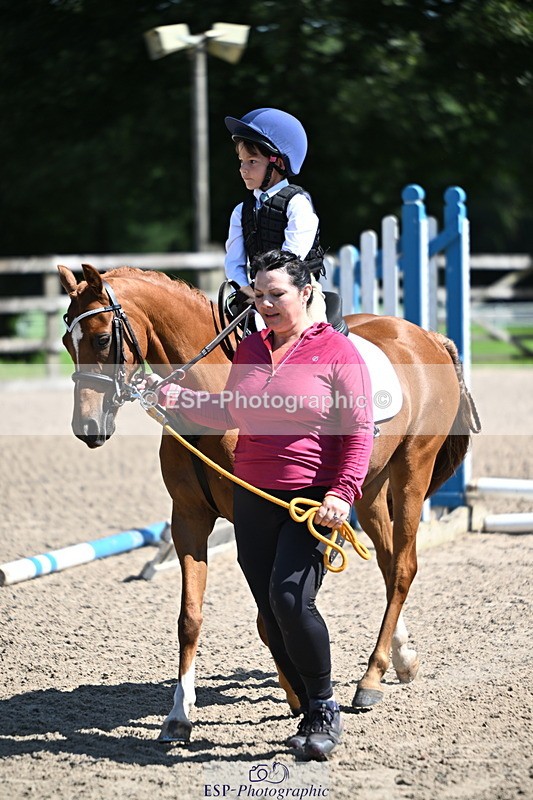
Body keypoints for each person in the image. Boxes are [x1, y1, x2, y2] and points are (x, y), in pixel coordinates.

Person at [146, 250, 374, 760]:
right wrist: (169, 398)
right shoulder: (248, 349)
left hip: (311, 498)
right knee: (271, 611)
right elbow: (229, 409)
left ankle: (323, 707)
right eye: (258, 296)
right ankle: (305, 707)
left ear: (306, 293)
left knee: (292, 599)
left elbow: (359, 432)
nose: (265, 305)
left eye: (277, 295)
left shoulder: (337, 352)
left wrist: (342, 493)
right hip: (253, 496)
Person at [224, 107, 328, 324]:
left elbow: (292, 256)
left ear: (277, 163)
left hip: (300, 293)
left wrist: (268, 291)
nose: (243, 169)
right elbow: (234, 262)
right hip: (255, 294)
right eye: (241, 161)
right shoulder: (240, 211)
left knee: (314, 333)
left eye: (252, 162)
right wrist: (247, 291)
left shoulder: (298, 203)